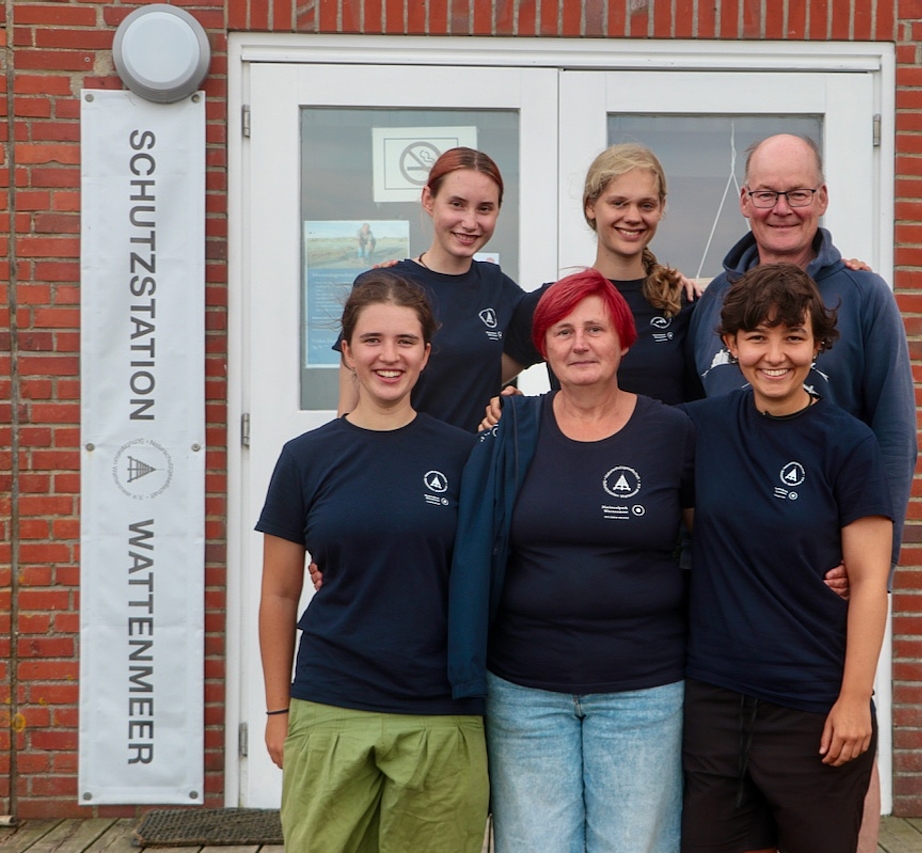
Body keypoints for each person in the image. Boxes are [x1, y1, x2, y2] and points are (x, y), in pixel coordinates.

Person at [688, 134, 915, 850]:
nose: (781, 207)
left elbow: (893, 435)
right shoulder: (708, 300)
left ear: (822, 199)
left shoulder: (863, 291)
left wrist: (875, 557)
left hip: (822, 586)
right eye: (765, 193)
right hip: (729, 623)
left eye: (797, 193)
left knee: (834, 793)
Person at [449, 269, 695, 853]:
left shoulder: (672, 431)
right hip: (524, 691)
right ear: (543, 348)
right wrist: (342, 554)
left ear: (624, 340)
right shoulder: (510, 428)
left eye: (595, 328)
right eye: (562, 331)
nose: (579, 343)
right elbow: (452, 528)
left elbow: (717, 540)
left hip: (643, 689)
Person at [259, 271, 486, 853]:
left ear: (427, 354)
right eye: (372, 340)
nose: (390, 356)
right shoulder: (306, 458)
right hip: (331, 703)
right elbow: (280, 594)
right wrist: (278, 709)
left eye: (406, 341)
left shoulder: (464, 456)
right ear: (347, 352)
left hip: (441, 711)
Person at [335, 147, 526, 431]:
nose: (470, 222)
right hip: (396, 462)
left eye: (484, 208)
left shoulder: (501, 291)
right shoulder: (384, 285)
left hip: (472, 468)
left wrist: (512, 405)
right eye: (457, 204)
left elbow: (485, 376)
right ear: (428, 199)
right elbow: (349, 406)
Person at [501, 143, 703, 408]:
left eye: (646, 205)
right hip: (575, 450)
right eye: (618, 203)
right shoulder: (553, 302)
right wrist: (518, 413)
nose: (633, 216)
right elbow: (474, 386)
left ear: (661, 207)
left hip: (667, 449)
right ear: (590, 206)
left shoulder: (683, 302)